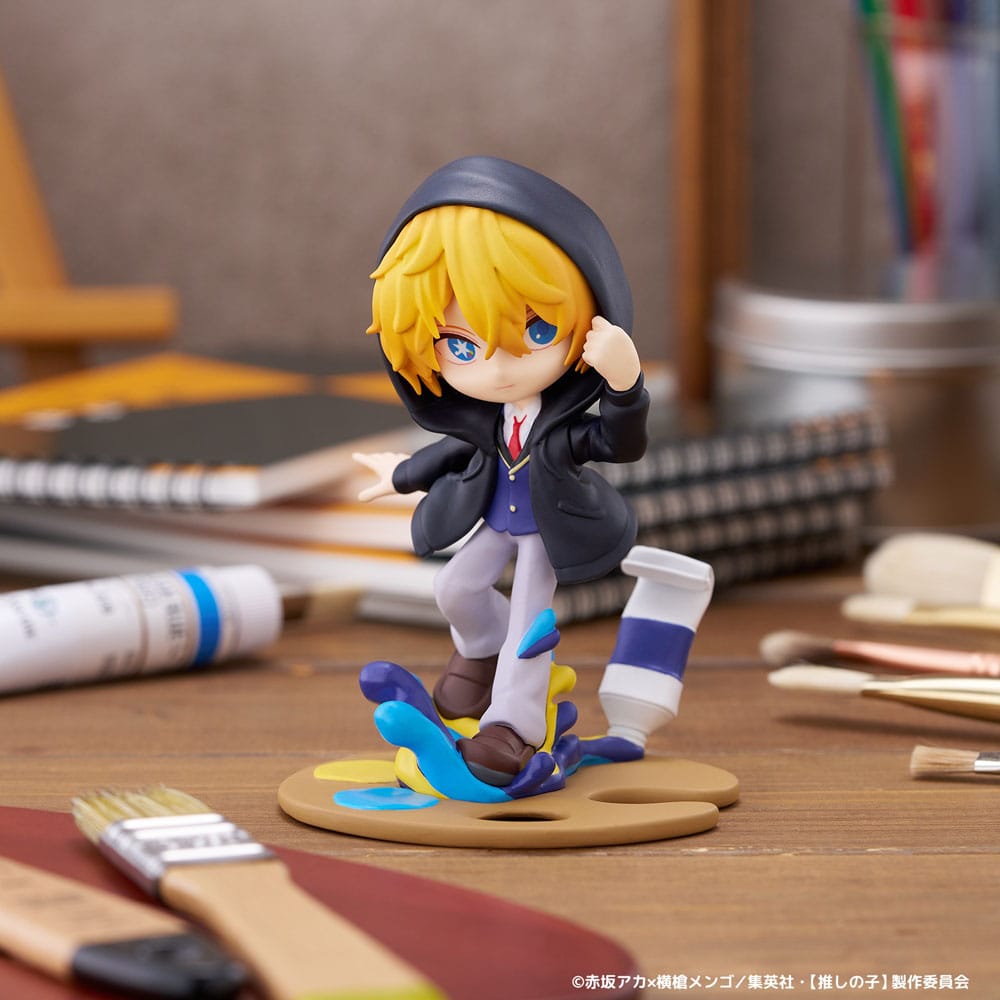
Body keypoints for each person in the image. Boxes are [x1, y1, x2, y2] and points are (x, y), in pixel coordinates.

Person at [355, 156, 648, 785]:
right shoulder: (486, 422)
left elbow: (618, 443)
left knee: (529, 622)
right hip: (494, 521)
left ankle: (514, 724)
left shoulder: (561, 426)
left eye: (536, 331)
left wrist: (625, 385)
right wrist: (400, 474)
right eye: (462, 346)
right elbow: (456, 455)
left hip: (548, 532)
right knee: (454, 588)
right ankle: (478, 656)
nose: (498, 368)